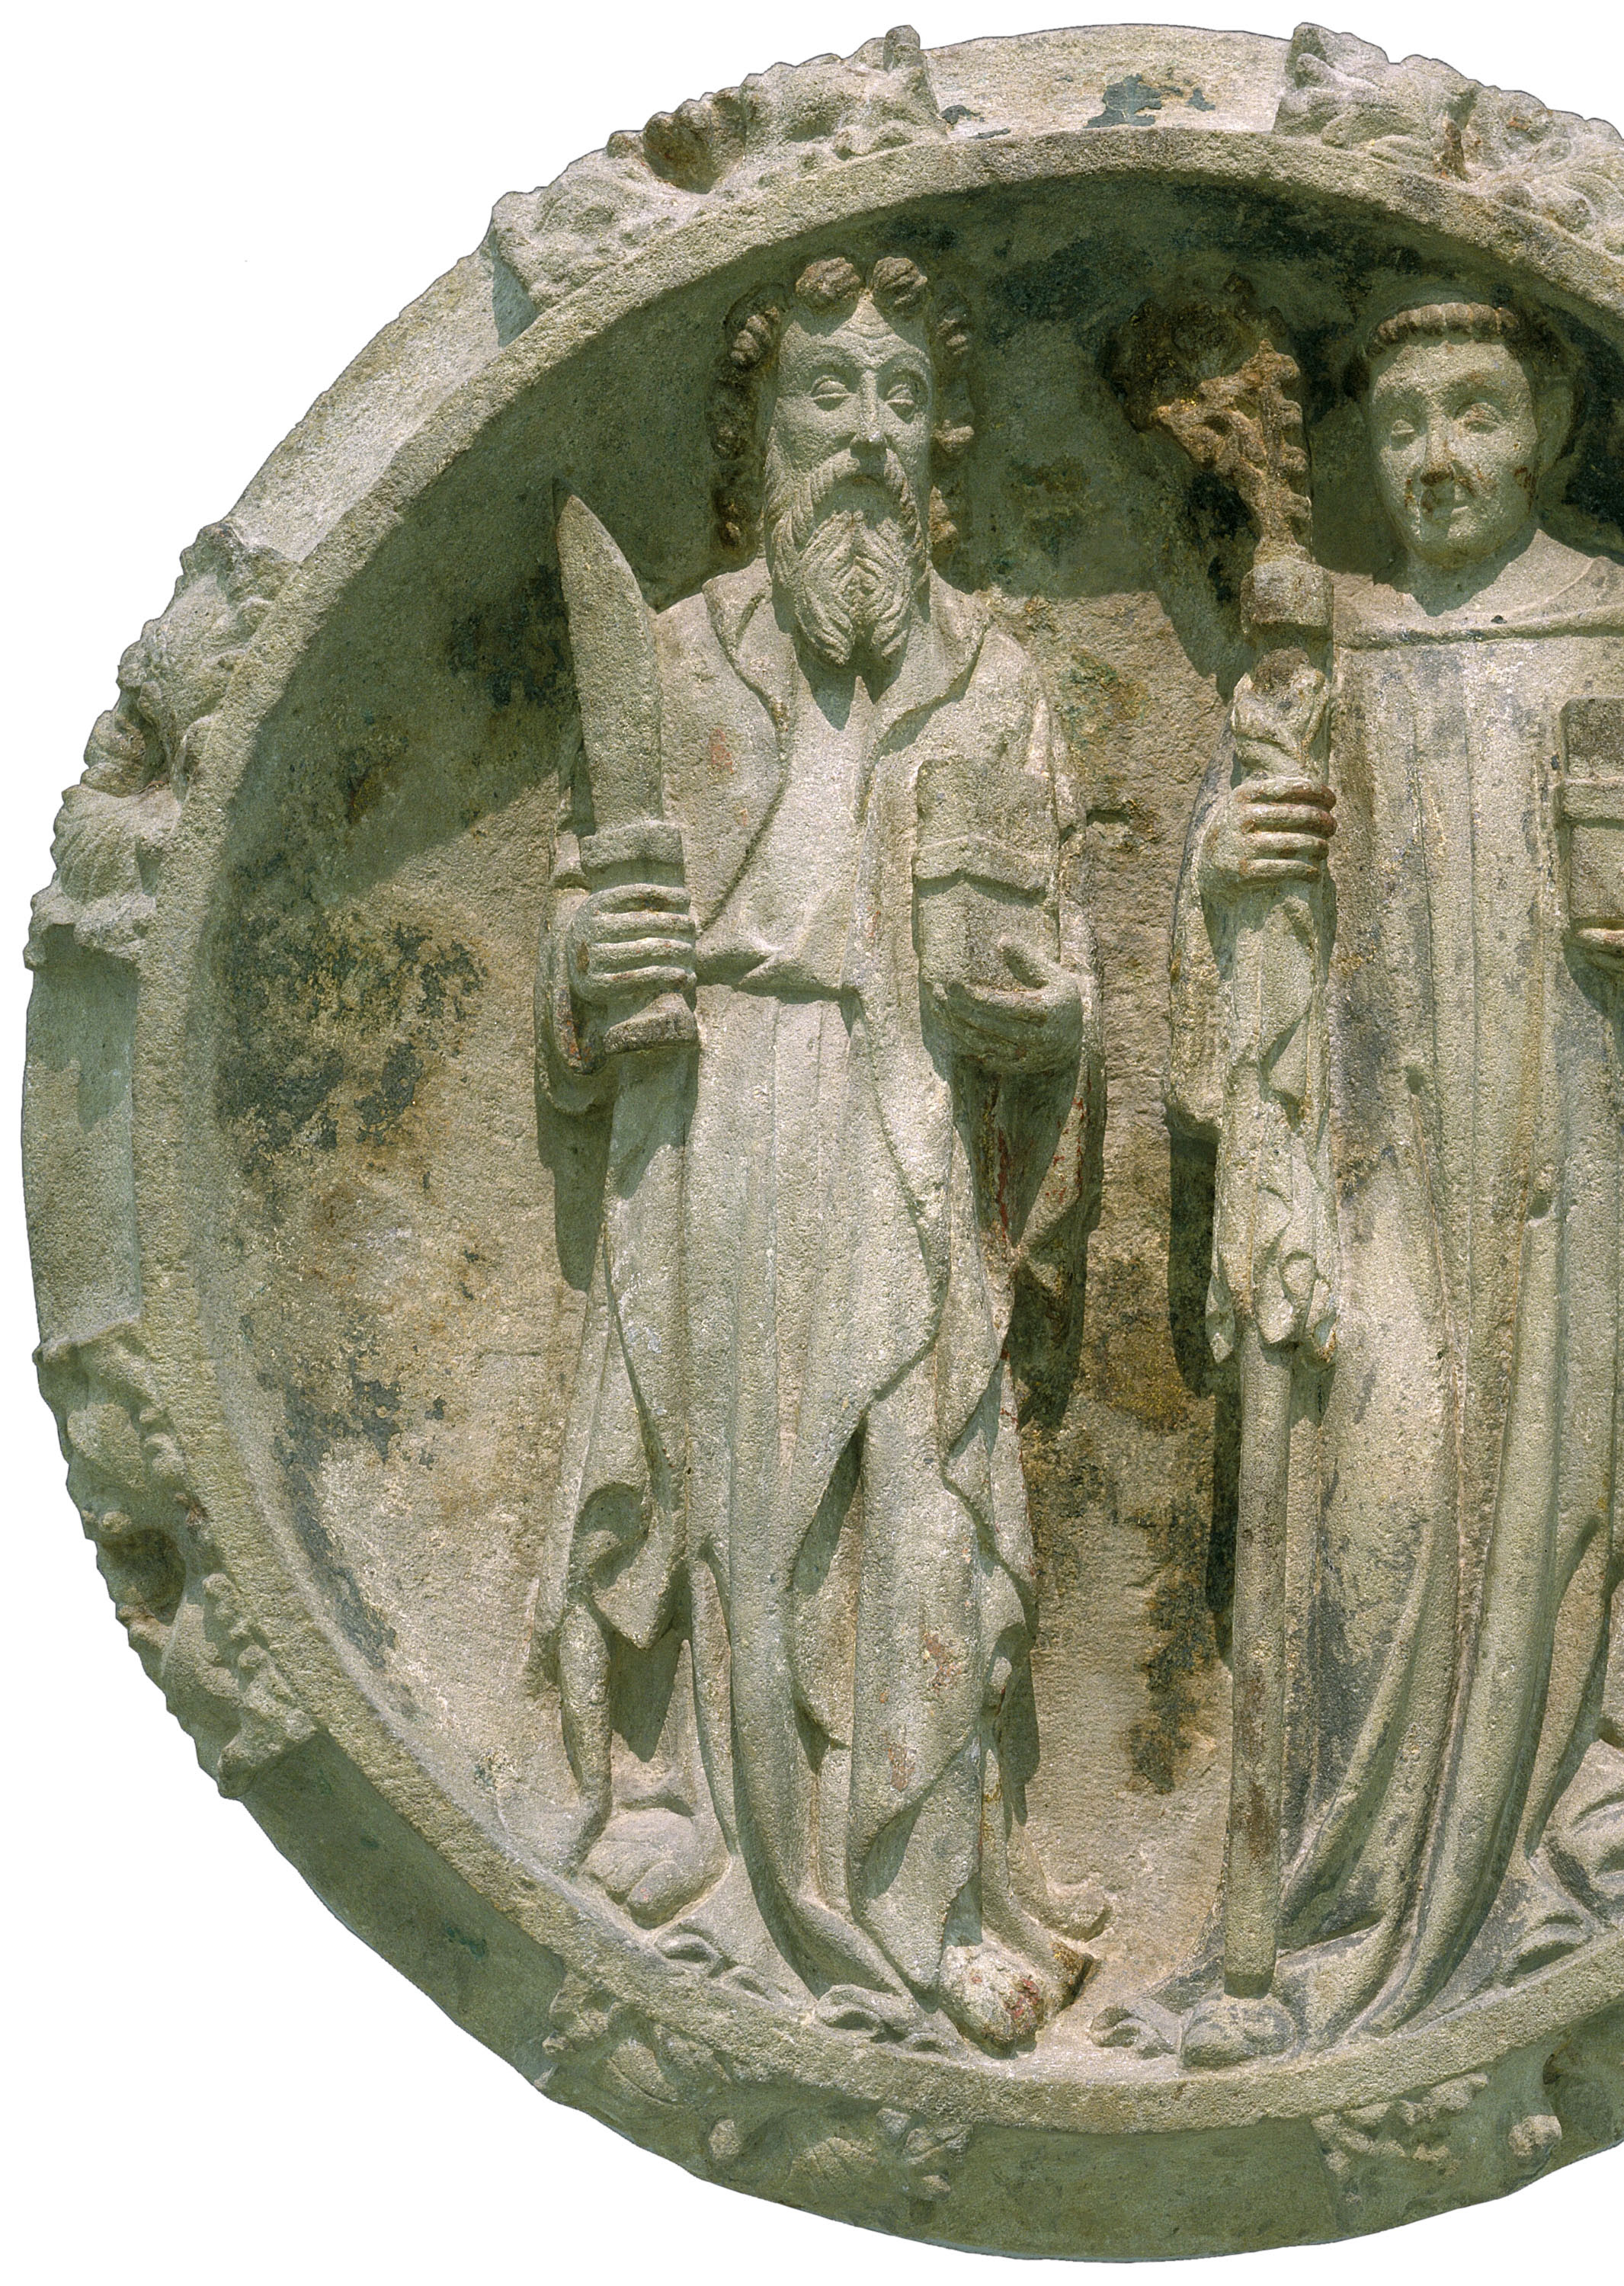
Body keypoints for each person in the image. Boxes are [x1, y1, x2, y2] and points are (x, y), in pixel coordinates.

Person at [1163, 290, 1624, 2050]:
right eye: (1404, 422)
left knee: (1577, 1507)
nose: (1438, 456)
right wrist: (1228, 861)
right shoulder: (1323, 650)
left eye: (1478, 414)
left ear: (1546, 433)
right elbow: (1228, 926)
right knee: (1378, 1498)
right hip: (1380, 1159)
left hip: (1585, 1165)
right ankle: (1345, 1899)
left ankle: (1581, 1812)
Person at [533, 252, 1104, 2051]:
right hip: (723, 1119)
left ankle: (928, 1900)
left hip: (922, 1119)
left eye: (897, 400)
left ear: (943, 441)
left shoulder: (996, 676)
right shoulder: (677, 657)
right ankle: (709, 1833)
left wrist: (1040, 1013)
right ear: (761, 434)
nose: (862, 438)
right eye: (823, 397)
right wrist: (593, 970)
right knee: (734, 1498)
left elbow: (1062, 959)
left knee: (925, 1510)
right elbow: (579, 928)